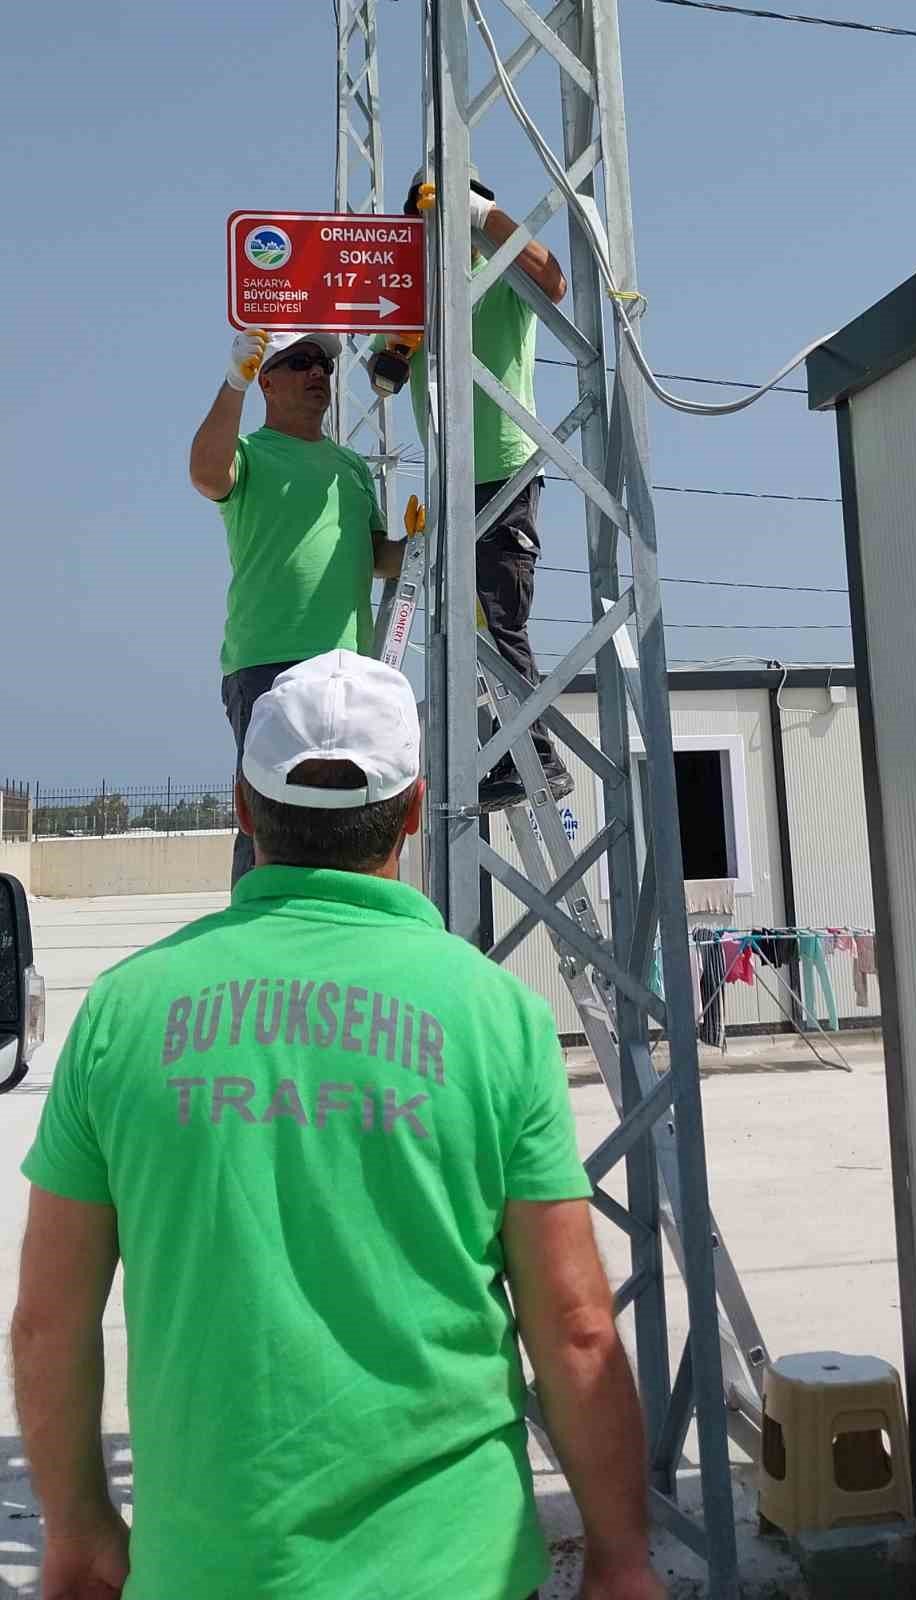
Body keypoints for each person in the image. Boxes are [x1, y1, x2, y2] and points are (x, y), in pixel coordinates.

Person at [12, 650, 666, 1600]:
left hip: (210, 1573)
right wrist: (620, 1557)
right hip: (458, 1569)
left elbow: (47, 1324)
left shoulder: (125, 1011)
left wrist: (77, 1533)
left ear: (243, 805)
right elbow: (573, 1329)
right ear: (413, 810)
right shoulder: (492, 1015)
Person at [369, 167, 574, 814]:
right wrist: (400, 342)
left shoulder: (503, 269)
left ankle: (536, 757)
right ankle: (505, 753)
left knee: (498, 612)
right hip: (451, 479)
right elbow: (384, 375)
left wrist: (484, 216)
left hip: (505, 468)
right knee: (469, 628)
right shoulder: (417, 291)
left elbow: (555, 279)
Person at [190, 328, 410, 886]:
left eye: (324, 366)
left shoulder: (352, 467)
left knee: (351, 817)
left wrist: (421, 542)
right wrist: (231, 383)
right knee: (268, 820)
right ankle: (255, 939)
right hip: (267, 663)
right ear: (267, 379)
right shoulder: (249, 455)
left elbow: (378, 559)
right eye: (300, 362)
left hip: (347, 667)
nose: (319, 373)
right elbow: (206, 473)